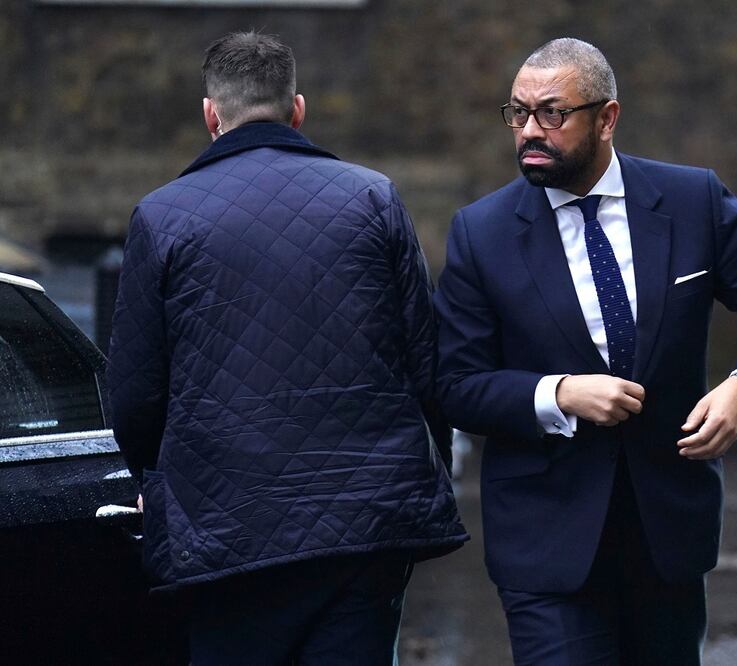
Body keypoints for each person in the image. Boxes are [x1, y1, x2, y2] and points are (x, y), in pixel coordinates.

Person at [434, 38, 737, 664]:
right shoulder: (481, 234)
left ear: (607, 118)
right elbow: (453, 382)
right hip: (546, 547)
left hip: (666, 535)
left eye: (552, 114)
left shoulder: (693, 201)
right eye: (518, 113)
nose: (530, 131)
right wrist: (556, 393)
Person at [107, 31, 467, 666]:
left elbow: (135, 391)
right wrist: (420, 469)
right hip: (365, 528)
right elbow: (425, 361)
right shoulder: (371, 197)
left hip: (225, 530)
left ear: (210, 115)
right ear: (297, 109)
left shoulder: (161, 217)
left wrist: (157, 484)